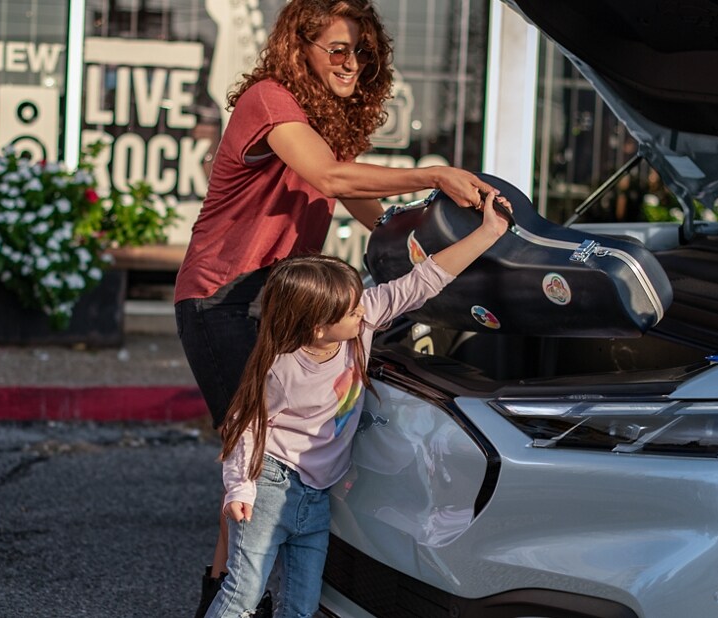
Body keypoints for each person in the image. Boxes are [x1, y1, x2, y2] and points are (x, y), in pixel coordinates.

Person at [173, 0, 497, 613]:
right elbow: (331, 179)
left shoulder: (322, 120)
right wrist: (433, 175)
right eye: (339, 49)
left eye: (363, 52)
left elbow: (369, 213)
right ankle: (230, 601)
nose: (353, 63)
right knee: (255, 455)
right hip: (224, 298)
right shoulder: (270, 99)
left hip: (285, 301)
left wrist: (428, 265)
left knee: (271, 458)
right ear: (301, 49)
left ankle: (246, 595)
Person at [206, 191, 511, 617]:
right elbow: (246, 424)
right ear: (316, 329)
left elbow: (424, 280)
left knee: (302, 604)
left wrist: (489, 232)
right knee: (243, 595)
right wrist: (240, 487)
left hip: (316, 491)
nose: (363, 312)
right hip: (271, 486)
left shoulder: (359, 320)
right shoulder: (281, 367)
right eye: (350, 311)